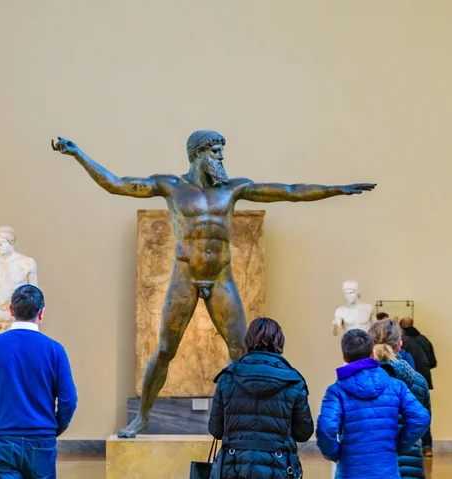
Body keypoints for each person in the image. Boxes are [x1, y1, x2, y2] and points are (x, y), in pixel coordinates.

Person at [52, 131, 375, 437]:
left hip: (221, 276)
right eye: (215, 150)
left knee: (240, 351)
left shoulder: (233, 188)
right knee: (165, 349)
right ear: (198, 154)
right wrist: (78, 154)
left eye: (222, 150)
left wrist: (337, 189)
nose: (221, 157)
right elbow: (117, 185)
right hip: (185, 275)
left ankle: (243, 418)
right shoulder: (172, 186)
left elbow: (290, 191)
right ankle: (143, 418)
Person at [0, 285, 78, 479]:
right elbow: (69, 400)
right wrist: (57, 426)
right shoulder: (55, 350)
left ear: (11, 310)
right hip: (42, 440)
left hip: (2, 440)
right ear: (41, 313)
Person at [208, 317, 314, 479]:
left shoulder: (227, 377)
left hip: (233, 467)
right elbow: (304, 433)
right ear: (279, 341)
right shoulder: (293, 380)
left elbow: (216, 430)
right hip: (278, 469)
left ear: (248, 340)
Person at [316, 329, 430, 479]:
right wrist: (400, 445)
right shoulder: (396, 386)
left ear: (344, 357)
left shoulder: (336, 391)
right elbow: (421, 418)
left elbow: (327, 428)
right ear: (371, 353)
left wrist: (335, 453)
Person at [369, 320, 431, 479]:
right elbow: (422, 421)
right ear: (400, 344)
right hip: (408, 465)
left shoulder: (356, 381)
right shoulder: (418, 381)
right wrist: (402, 444)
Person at [399, 317, 437, 456]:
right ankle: (427, 446)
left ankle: (408, 447)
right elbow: (433, 362)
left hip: (406, 383)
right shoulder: (424, 340)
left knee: (405, 416)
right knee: (423, 413)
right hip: (423, 381)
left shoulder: (401, 344)